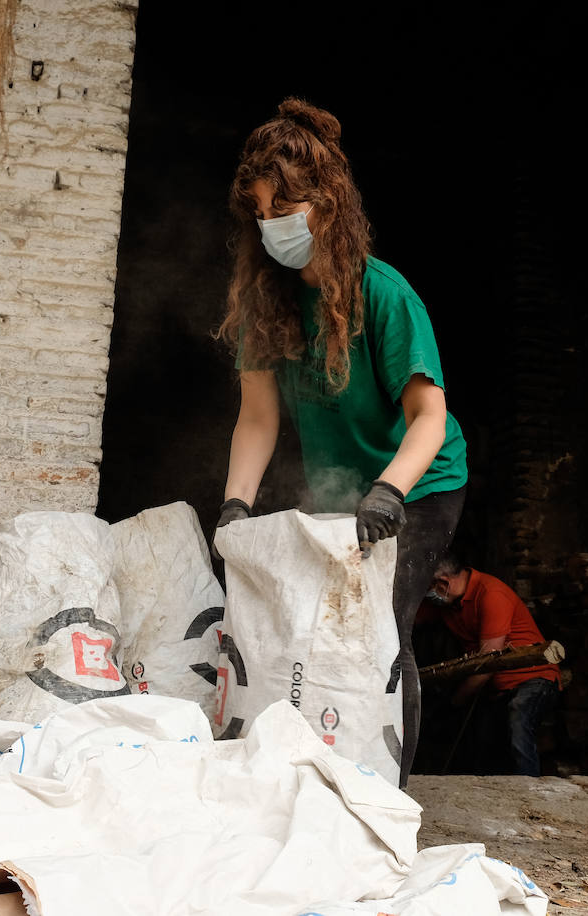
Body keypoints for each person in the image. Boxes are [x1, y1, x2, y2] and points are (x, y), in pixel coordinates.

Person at [213, 98, 469, 788]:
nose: (271, 227)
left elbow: (429, 417)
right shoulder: (266, 300)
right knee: (314, 630)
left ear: (325, 205)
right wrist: (235, 506)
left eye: (284, 209)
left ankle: (388, 797)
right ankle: (314, 781)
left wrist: (390, 490)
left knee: (380, 631)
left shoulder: (385, 296)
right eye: (260, 214)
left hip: (421, 481)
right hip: (339, 488)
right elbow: (258, 418)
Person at [420, 552, 559, 776]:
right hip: (495, 686)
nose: (428, 595)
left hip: (532, 677)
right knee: (483, 743)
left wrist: (455, 701)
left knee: (518, 718)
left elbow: (487, 664)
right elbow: (412, 618)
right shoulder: (447, 601)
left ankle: (529, 790)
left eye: (428, 588)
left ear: (443, 582)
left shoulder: (491, 594)